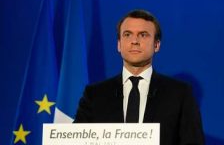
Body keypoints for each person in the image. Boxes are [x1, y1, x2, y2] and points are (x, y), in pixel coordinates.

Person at [74, 9, 204, 145]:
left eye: (143, 35)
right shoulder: (94, 95)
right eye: (127, 34)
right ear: (119, 44)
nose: (134, 41)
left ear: (157, 45)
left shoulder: (180, 94)